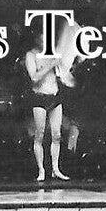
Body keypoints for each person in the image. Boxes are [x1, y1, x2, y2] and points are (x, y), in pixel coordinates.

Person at [25, 32, 68, 182]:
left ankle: (55, 169)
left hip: (54, 95)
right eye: (43, 40)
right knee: (40, 135)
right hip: (39, 96)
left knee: (57, 135)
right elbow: (34, 77)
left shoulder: (55, 54)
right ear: (37, 40)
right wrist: (50, 64)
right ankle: (41, 169)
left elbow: (66, 75)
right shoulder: (31, 55)